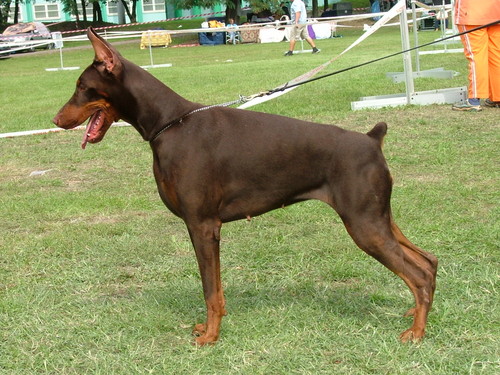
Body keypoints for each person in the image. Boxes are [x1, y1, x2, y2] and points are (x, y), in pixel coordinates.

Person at [452, 0, 500, 111]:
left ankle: (473, 99)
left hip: (471, 13)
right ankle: (497, 96)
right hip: (496, 11)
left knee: (476, 57)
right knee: (496, 56)